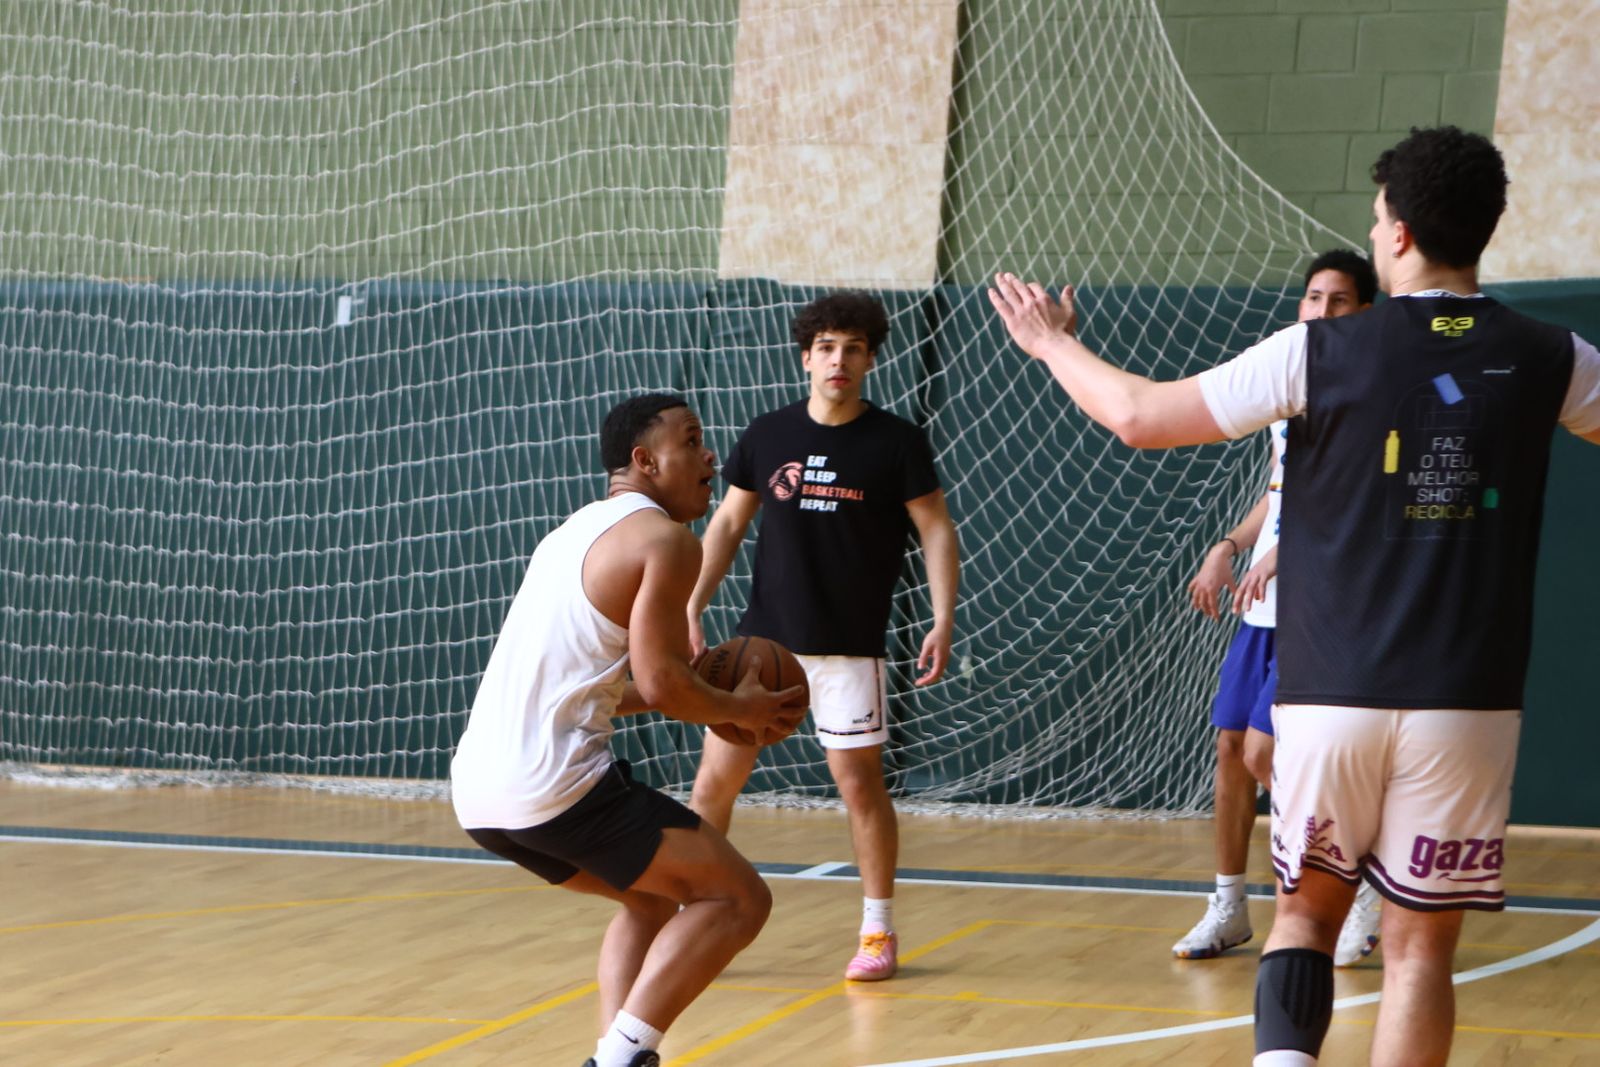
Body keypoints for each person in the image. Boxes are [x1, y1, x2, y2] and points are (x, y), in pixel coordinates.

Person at [988, 126, 1600, 1066]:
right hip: (1468, 701)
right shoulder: (1554, 354)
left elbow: (1140, 416)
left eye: (1377, 218)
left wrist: (1049, 342)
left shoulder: (1316, 350)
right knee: (1419, 950)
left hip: (1327, 692)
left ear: (1398, 233)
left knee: (1304, 921)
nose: (1376, 231)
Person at [449, 394, 807, 1067]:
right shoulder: (666, 540)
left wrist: (701, 689)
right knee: (739, 898)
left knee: (649, 899)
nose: (710, 456)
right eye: (691, 441)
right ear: (645, 460)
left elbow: (613, 689)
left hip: (479, 794)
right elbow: (667, 686)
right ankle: (617, 1060)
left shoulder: (569, 534)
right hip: (555, 785)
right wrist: (741, 710)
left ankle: (614, 1053)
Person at [686, 291, 962, 982]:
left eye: (854, 349)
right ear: (806, 358)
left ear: (870, 360)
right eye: (828, 347)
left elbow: (935, 528)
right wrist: (692, 604)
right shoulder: (769, 433)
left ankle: (878, 929)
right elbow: (727, 525)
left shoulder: (896, 441)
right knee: (713, 783)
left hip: (849, 647)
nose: (840, 359)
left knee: (859, 785)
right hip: (762, 648)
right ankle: (690, 916)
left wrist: (943, 615)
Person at [1175, 250, 1379, 963]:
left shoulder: (1368, 394)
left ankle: (1357, 888)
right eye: (1313, 297)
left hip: (1321, 602)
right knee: (1232, 750)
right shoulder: (1287, 389)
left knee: (1269, 755)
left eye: (1339, 300)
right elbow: (1280, 490)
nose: (1323, 311)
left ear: (1365, 313)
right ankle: (1229, 905)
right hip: (1265, 603)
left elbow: (1347, 502)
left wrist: (1282, 554)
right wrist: (1228, 545)